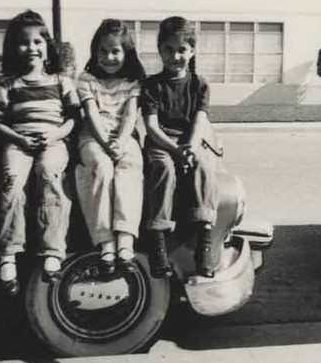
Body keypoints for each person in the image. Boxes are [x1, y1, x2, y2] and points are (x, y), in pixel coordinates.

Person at [0, 10, 79, 296]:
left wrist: (55, 134)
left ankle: (53, 248)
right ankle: (8, 253)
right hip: (18, 142)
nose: (32, 48)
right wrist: (19, 138)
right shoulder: (8, 85)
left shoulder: (61, 81)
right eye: (24, 42)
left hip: (53, 140)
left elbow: (73, 119)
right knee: (12, 182)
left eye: (38, 41)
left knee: (49, 175)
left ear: (47, 46)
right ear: (14, 48)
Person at [141, 16, 219, 279]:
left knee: (203, 166)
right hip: (161, 142)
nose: (176, 56)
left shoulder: (199, 84)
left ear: (193, 51)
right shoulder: (152, 85)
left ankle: (204, 243)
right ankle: (158, 242)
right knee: (162, 168)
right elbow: (151, 126)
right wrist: (175, 150)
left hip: (189, 140)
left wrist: (190, 148)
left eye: (182, 49)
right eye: (169, 49)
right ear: (160, 51)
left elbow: (199, 120)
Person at [75, 19, 145, 275]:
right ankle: (105, 240)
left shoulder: (134, 81)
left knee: (130, 165)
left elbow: (130, 116)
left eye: (115, 51)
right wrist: (107, 143)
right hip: (94, 137)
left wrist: (121, 142)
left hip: (124, 137)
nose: (109, 57)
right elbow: (92, 116)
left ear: (126, 53)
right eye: (102, 51)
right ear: (94, 52)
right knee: (102, 168)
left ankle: (125, 238)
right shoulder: (86, 79)